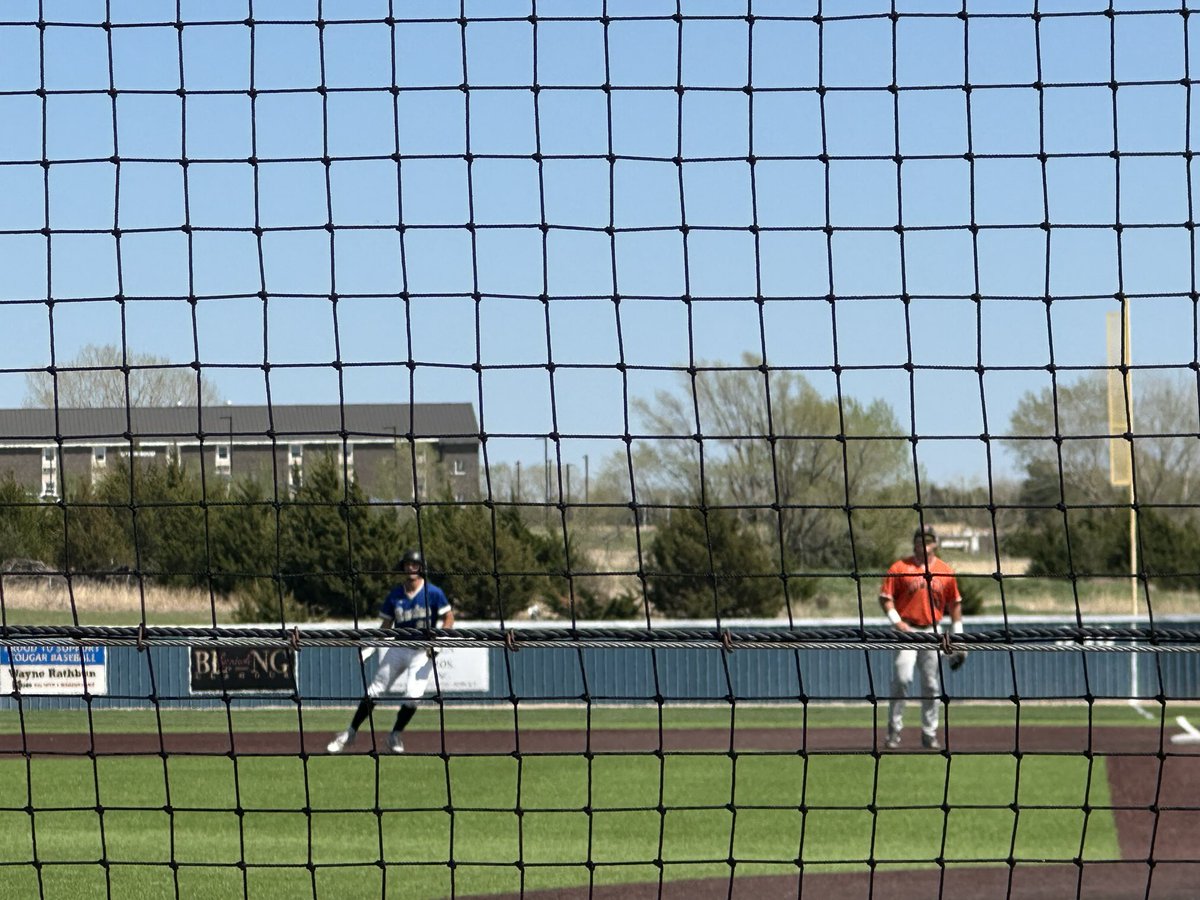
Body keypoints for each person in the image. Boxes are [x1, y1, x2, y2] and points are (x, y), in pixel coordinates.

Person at [327, 547, 454, 754]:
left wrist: (440, 638)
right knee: (375, 690)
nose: (411, 568)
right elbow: (386, 624)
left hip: (422, 651)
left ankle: (395, 734)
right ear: (403, 567)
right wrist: (371, 646)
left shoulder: (433, 592)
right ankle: (350, 732)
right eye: (407, 564)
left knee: (413, 697)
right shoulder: (395, 594)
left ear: (421, 568)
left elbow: (448, 616)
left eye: (415, 564)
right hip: (398, 647)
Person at [877, 526, 963, 751]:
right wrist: (897, 622)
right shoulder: (900, 567)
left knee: (931, 685)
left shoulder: (945, 570)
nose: (923, 544)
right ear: (913, 542)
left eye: (928, 540)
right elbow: (885, 598)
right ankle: (894, 732)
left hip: (933, 630)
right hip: (907, 630)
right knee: (902, 680)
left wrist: (958, 635)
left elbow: (955, 604)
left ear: (935, 543)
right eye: (919, 540)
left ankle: (929, 733)